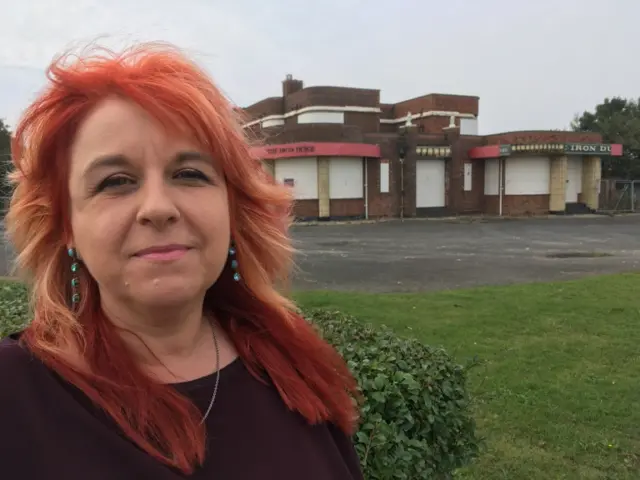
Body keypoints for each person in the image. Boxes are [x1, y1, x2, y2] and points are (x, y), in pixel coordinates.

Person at [0, 42, 363, 480]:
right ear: (67, 228)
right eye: (115, 181)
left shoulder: (293, 367)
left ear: (232, 209)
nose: (158, 207)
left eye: (189, 174)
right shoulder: (14, 395)